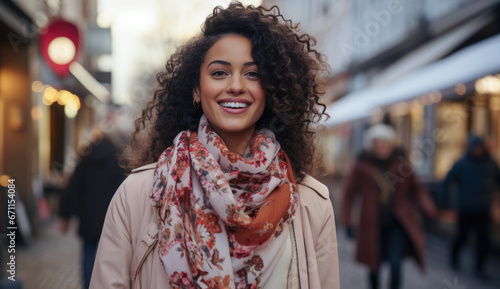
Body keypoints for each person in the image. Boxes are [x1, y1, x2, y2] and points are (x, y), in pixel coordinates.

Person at [89, 3, 339, 289]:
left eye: (253, 74)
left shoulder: (311, 204)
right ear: (197, 89)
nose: (235, 85)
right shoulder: (137, 195)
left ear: (270, 90)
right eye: (219, 72)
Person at [342, 124, 436, 289]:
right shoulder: (362, 166)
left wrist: (428, 207)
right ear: (373, 145)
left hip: (397, 223)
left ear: (392, 144)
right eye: (379, 144)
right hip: (372, 223)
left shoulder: (402, 165)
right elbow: (349, 194)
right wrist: (347, 221)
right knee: (373, 263)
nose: (382, 148)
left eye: (386, 144)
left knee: (395, 263)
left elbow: (417, 190)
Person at [59, 126, 126, 289]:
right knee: (108, 255)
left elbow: (72, 189)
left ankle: (88, 285)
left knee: (88, 253)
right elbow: (124, 190)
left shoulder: (85, 160)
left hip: (87, 217)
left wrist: (65, 216)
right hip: (110, 218)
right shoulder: (118, 161)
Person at [440, 136, 500, 277]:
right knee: (462, 236)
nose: (477, 151)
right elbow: (448, 181)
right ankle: (454, 259)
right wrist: (446, 202)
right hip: (466, 208)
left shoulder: (490, 164)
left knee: (483, 240)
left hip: (483, 209)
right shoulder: (462, 163)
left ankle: (480, 268)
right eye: (475, 148)